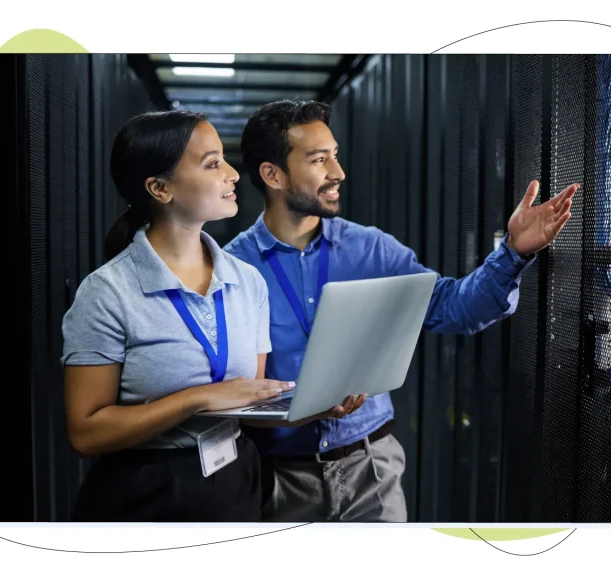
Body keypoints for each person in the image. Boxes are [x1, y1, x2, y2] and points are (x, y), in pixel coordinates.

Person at [224, 99, 577, 522]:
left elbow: (453, 307)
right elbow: (227, 387)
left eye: (334, 156)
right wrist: (300, 404)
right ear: (272, 174)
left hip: (371, 469)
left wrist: (512, 253)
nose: (338, 173)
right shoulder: (232, 268)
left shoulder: (371, 248)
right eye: (319, 160)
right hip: (275, 479)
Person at [60, 110, 296, 522]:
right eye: (212, 163)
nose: (233, 174)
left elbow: (247, 400)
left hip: (235, 483)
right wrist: (196, 399)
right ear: (160, 188)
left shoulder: (249, 282)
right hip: (147, 496)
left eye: (224, 159)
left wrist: (313, 405)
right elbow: (85, 432)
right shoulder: (107, 292)